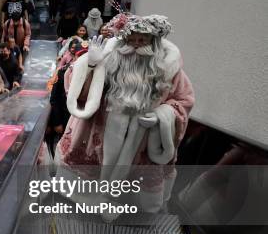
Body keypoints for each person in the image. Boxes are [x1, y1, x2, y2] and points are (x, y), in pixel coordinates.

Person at [56, 13, 195, 215]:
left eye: (142, 40)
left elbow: (184, 100)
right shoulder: (109, 60)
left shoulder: (170, 70)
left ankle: (129, 209)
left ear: (153, 42)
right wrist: (91, 65)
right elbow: (79, 93)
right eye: (131, 40)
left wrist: (162, 114)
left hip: (143, 138)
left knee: (134, 197)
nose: (136, 45)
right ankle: (90, 202)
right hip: (99, 130)